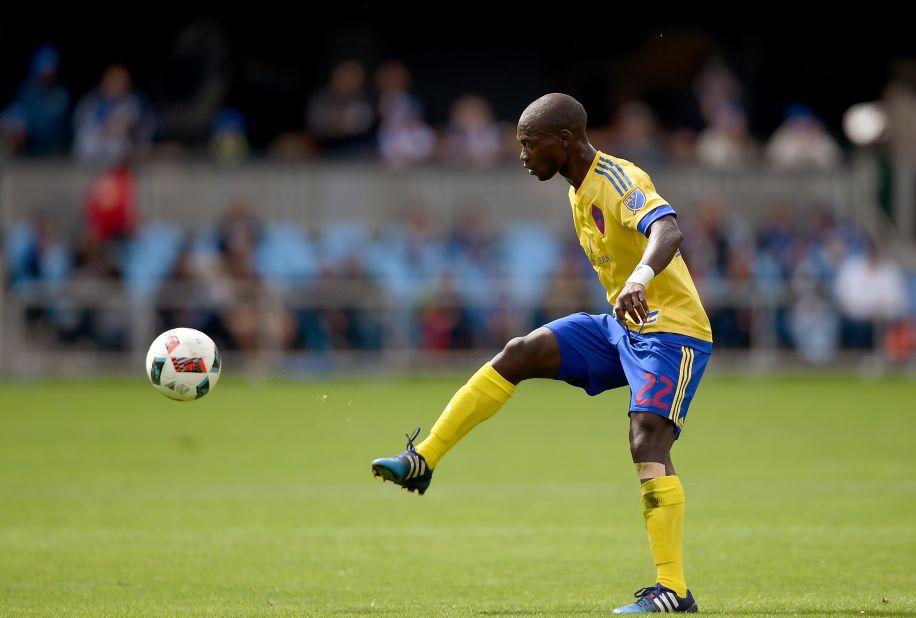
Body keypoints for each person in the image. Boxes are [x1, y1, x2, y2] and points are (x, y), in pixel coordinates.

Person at [371, 93, 713, 614]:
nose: (524, 155)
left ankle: (674, 590)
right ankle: (422, 460)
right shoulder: (576, 190)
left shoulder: (620, 179)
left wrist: (640, 278)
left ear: (564, 141)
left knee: (647, 438)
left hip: (672, 333)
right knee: (519, 352)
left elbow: (667, 229)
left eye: (529, 145)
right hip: (622, 328)